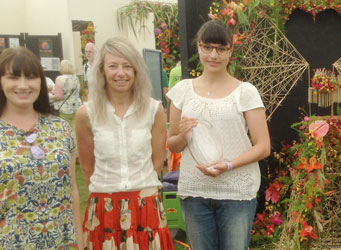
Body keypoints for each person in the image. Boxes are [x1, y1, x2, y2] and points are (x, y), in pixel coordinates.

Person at [166, 20, 270, 250]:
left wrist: (229, 165)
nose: (213, 55)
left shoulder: (245, 92)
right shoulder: (182, 91)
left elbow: (263, 146)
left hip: (237, 193)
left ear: (230, 51)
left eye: (221, 49)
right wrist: (183, 136)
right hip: (195, 193)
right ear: (198, 48)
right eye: (207, 47)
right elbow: (172, 145)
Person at [75, 37, 173, 249]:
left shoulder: (154, 110)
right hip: (104, 209)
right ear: (102, 70)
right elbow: (86, 167)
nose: (121, 73)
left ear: (136, 71)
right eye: (113, 66)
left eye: (127, 66)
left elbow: (157, 164)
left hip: (145, 206)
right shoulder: (86, 114)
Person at [0, 47, 82, 248]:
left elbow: (73, 190)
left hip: (58, 242)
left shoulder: (60, 128)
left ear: (41, 81)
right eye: (13, 77)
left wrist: (80, 241)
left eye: (30, 77)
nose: (23, 85)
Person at [50, 60, 82, 130]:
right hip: (76, 107)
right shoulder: (76, 78)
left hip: (65, 108)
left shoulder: (60, 78)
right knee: (75, 129)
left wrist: (49, 97)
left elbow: (58, 96)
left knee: (65, 129)